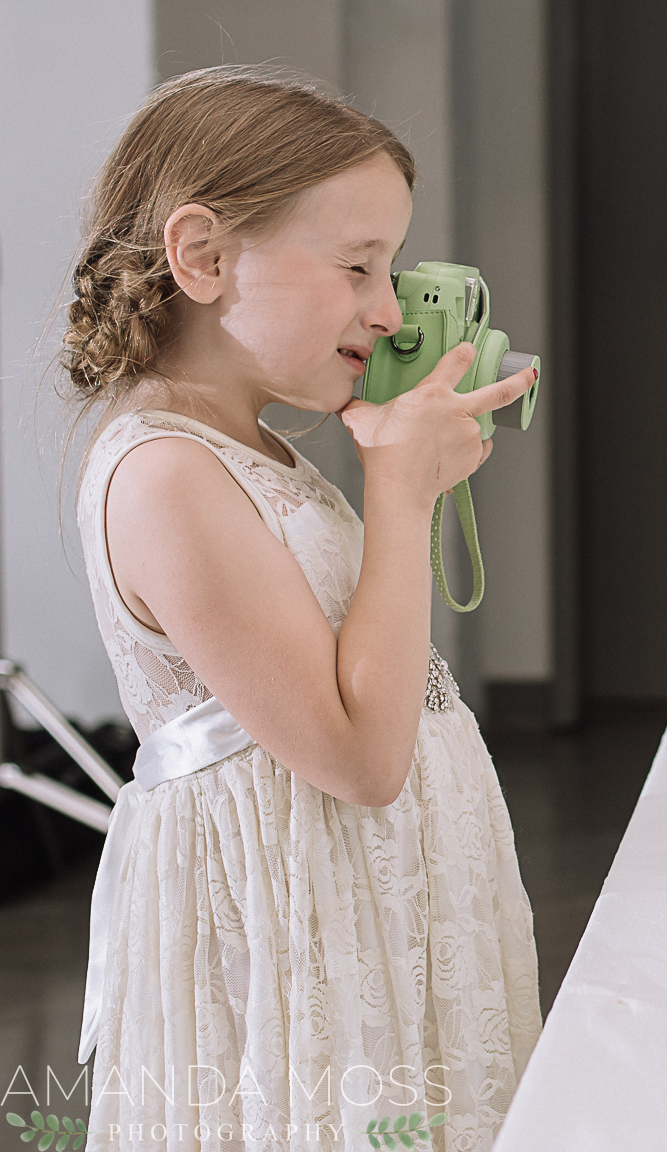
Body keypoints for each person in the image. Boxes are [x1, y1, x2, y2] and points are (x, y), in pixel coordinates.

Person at [63, 66, 544, 1150]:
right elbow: (357, 760)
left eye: (394, 267)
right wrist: (400, 494)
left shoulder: (254, 447)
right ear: (204, 257)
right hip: (290, 925)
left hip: (360, 901)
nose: (387, 307)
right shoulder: (167, 477)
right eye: (357, 266)